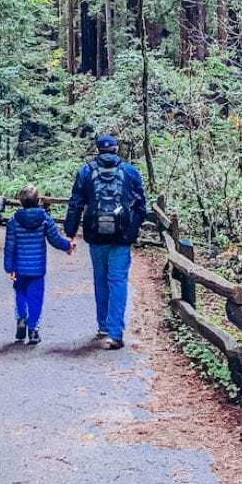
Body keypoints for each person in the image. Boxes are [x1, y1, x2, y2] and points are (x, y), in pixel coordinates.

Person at [64, 134, 147, 350]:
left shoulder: (86, 171)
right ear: (116, 149)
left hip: (95, 234)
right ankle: (115, 333)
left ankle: (103, 326)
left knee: (100, 279)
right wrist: (132, 230)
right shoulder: (130, 171)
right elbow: (141, 205)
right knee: (118, 280)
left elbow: (75, 203)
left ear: (98, 149)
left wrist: (70, 232)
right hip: (122, 237)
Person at [4, 184, 72, 345]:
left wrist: (9, 267)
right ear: (38, 201)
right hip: (37, 268)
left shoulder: (14, 221)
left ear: (20, 202)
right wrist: (68, 245)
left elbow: (9, 246)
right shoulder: (45, 219)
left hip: (19, 268)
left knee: (20, 293)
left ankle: (21, 317)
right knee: (36, 298)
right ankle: (33, 330)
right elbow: (55, 239)